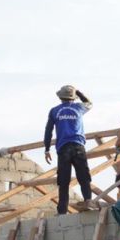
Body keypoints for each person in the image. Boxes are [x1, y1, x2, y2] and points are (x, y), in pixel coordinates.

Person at [44, 84, 97, 215]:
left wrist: (46, 148)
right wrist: (78, 92)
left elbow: (48, 130)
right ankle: (88, 201)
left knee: (63, 181)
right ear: (73, 98)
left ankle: (62, 211)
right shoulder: (79, 107)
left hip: (63, 149)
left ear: (60, 98)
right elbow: (89, 102)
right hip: (78, 146)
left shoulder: (55, 111)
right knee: (84, 177)